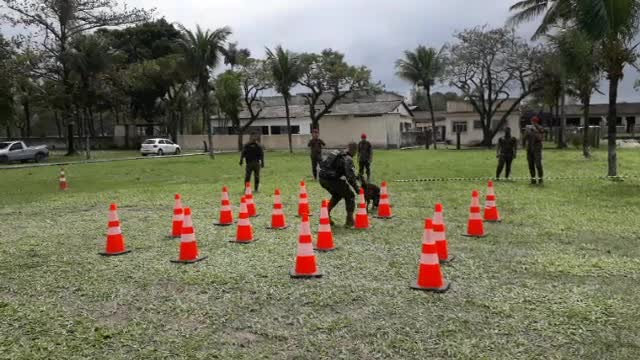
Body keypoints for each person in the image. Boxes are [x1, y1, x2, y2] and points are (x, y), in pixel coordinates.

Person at [318, 142, 360, 227]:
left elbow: (324, 164)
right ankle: (350, 220)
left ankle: (325, 215)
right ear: (355, 151)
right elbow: (350, 178)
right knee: (350, 195)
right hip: (331, 179)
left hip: (322, 178)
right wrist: (358, 190)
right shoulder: (348, 159)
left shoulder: (336, 152)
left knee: (337, 195)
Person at [524, 116, 545, 185]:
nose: (533, 123)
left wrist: (535, 131)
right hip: (529, 149)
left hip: (537, 149)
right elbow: (525, 138)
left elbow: (540, 138)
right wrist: (526, 132)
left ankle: (540, 179)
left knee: (538, 165)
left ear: (537, 122)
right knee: (530, 165)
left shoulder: (540, 128)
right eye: (532, 121)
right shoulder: (528, 128)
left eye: (534, 122)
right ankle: (533, 180)